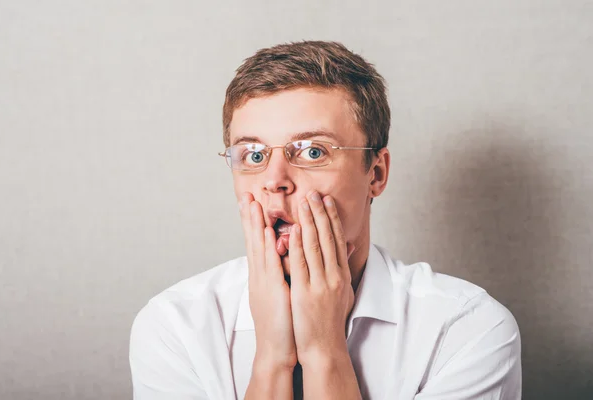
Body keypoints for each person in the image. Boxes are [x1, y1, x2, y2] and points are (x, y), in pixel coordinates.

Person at [129, 40, 522, 400]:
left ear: (377, 173)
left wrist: (324, 351)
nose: (275, 182)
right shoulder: (174, 327)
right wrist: (271, 359)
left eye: (313, 152)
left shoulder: (467, 330)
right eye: (253, 155)